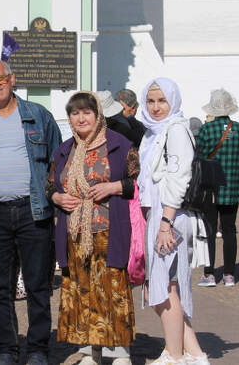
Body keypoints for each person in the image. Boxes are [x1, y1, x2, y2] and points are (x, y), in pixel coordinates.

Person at [0, 60, 61, 365]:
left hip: (34, 213)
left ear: (12, 79)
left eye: (0, 79)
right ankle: (6, 348)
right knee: (1, 289)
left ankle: (37, 349)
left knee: (37, 285)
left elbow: (57, 163)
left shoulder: (38, 116)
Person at [49, 91, 139, 365]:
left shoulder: (120, 145)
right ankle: (92, 349)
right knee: (83, 290)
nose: (81, 118)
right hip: (75, 233)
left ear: (98, 115)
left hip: (109, 228)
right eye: (75, 113)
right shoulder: (66, 150)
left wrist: (114, 186)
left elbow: (140, 183)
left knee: (113, 289)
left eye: (86, 112)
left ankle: (120, 351)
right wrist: (56, 197)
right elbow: (50, 184)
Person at [137, 78, 209, 365]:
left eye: (162, 101)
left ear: (173, 101)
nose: (156, 107)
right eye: (151, 101)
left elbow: (179, 179)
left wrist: (165, 223)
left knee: (164, 288)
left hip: (170, 216)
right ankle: (194, 353)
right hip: (158, 213)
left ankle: (175, 355)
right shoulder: (154, 132)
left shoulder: (175, 130)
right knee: (165, 286)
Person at [194, 89, 239, 288]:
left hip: (211, 187)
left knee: (209, 230)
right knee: (229, 230)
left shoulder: (207, 129)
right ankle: (229, 274)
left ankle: (209, 274)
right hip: (233, 187)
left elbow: (198, 155)